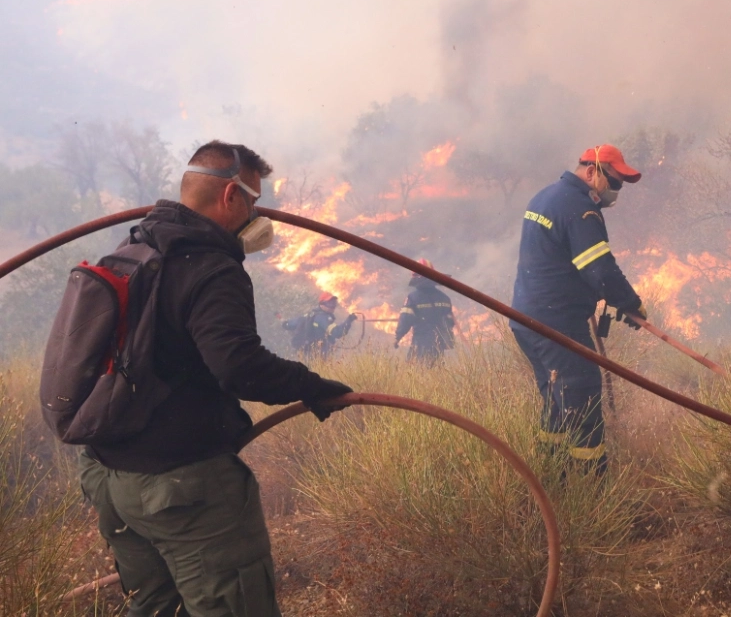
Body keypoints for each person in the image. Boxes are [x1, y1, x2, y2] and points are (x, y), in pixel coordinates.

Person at [78, 140, 353, 616]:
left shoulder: (136, 247)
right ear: (230, 197)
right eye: (253, 201)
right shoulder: (211, 267)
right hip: (182, 488)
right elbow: (239, 365)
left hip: (110, 477)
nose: (256, 214)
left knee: (155, 608)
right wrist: (312, 386)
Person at [509, 144, 647, 476]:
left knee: (557, 399)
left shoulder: (545, 197)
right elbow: (599, 268)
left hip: (527, 319)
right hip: (557, 323)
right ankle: (590, 489)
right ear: (591, 171)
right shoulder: (580, 208)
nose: (616, 191)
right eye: (614, 182)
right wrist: (631, 304)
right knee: (582, 395)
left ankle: (551, 477)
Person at [393, 258, 456, 365]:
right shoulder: (444, 298)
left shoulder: (413, 298)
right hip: (439, 344)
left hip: (421, 342)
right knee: (436, 372)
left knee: (414, 373)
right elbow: (450, 322)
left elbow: (405, 320)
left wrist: (398, 337)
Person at [282, 292, 357, 358]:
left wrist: (285, 323)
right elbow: (337, 332)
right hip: (318, 356)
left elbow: (290, 324)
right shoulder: (323, 318)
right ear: (322, 304)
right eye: (329, 303)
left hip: (306, 354)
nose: (332, 306)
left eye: (333, 303)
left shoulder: (310, 315)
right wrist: (349, 320)